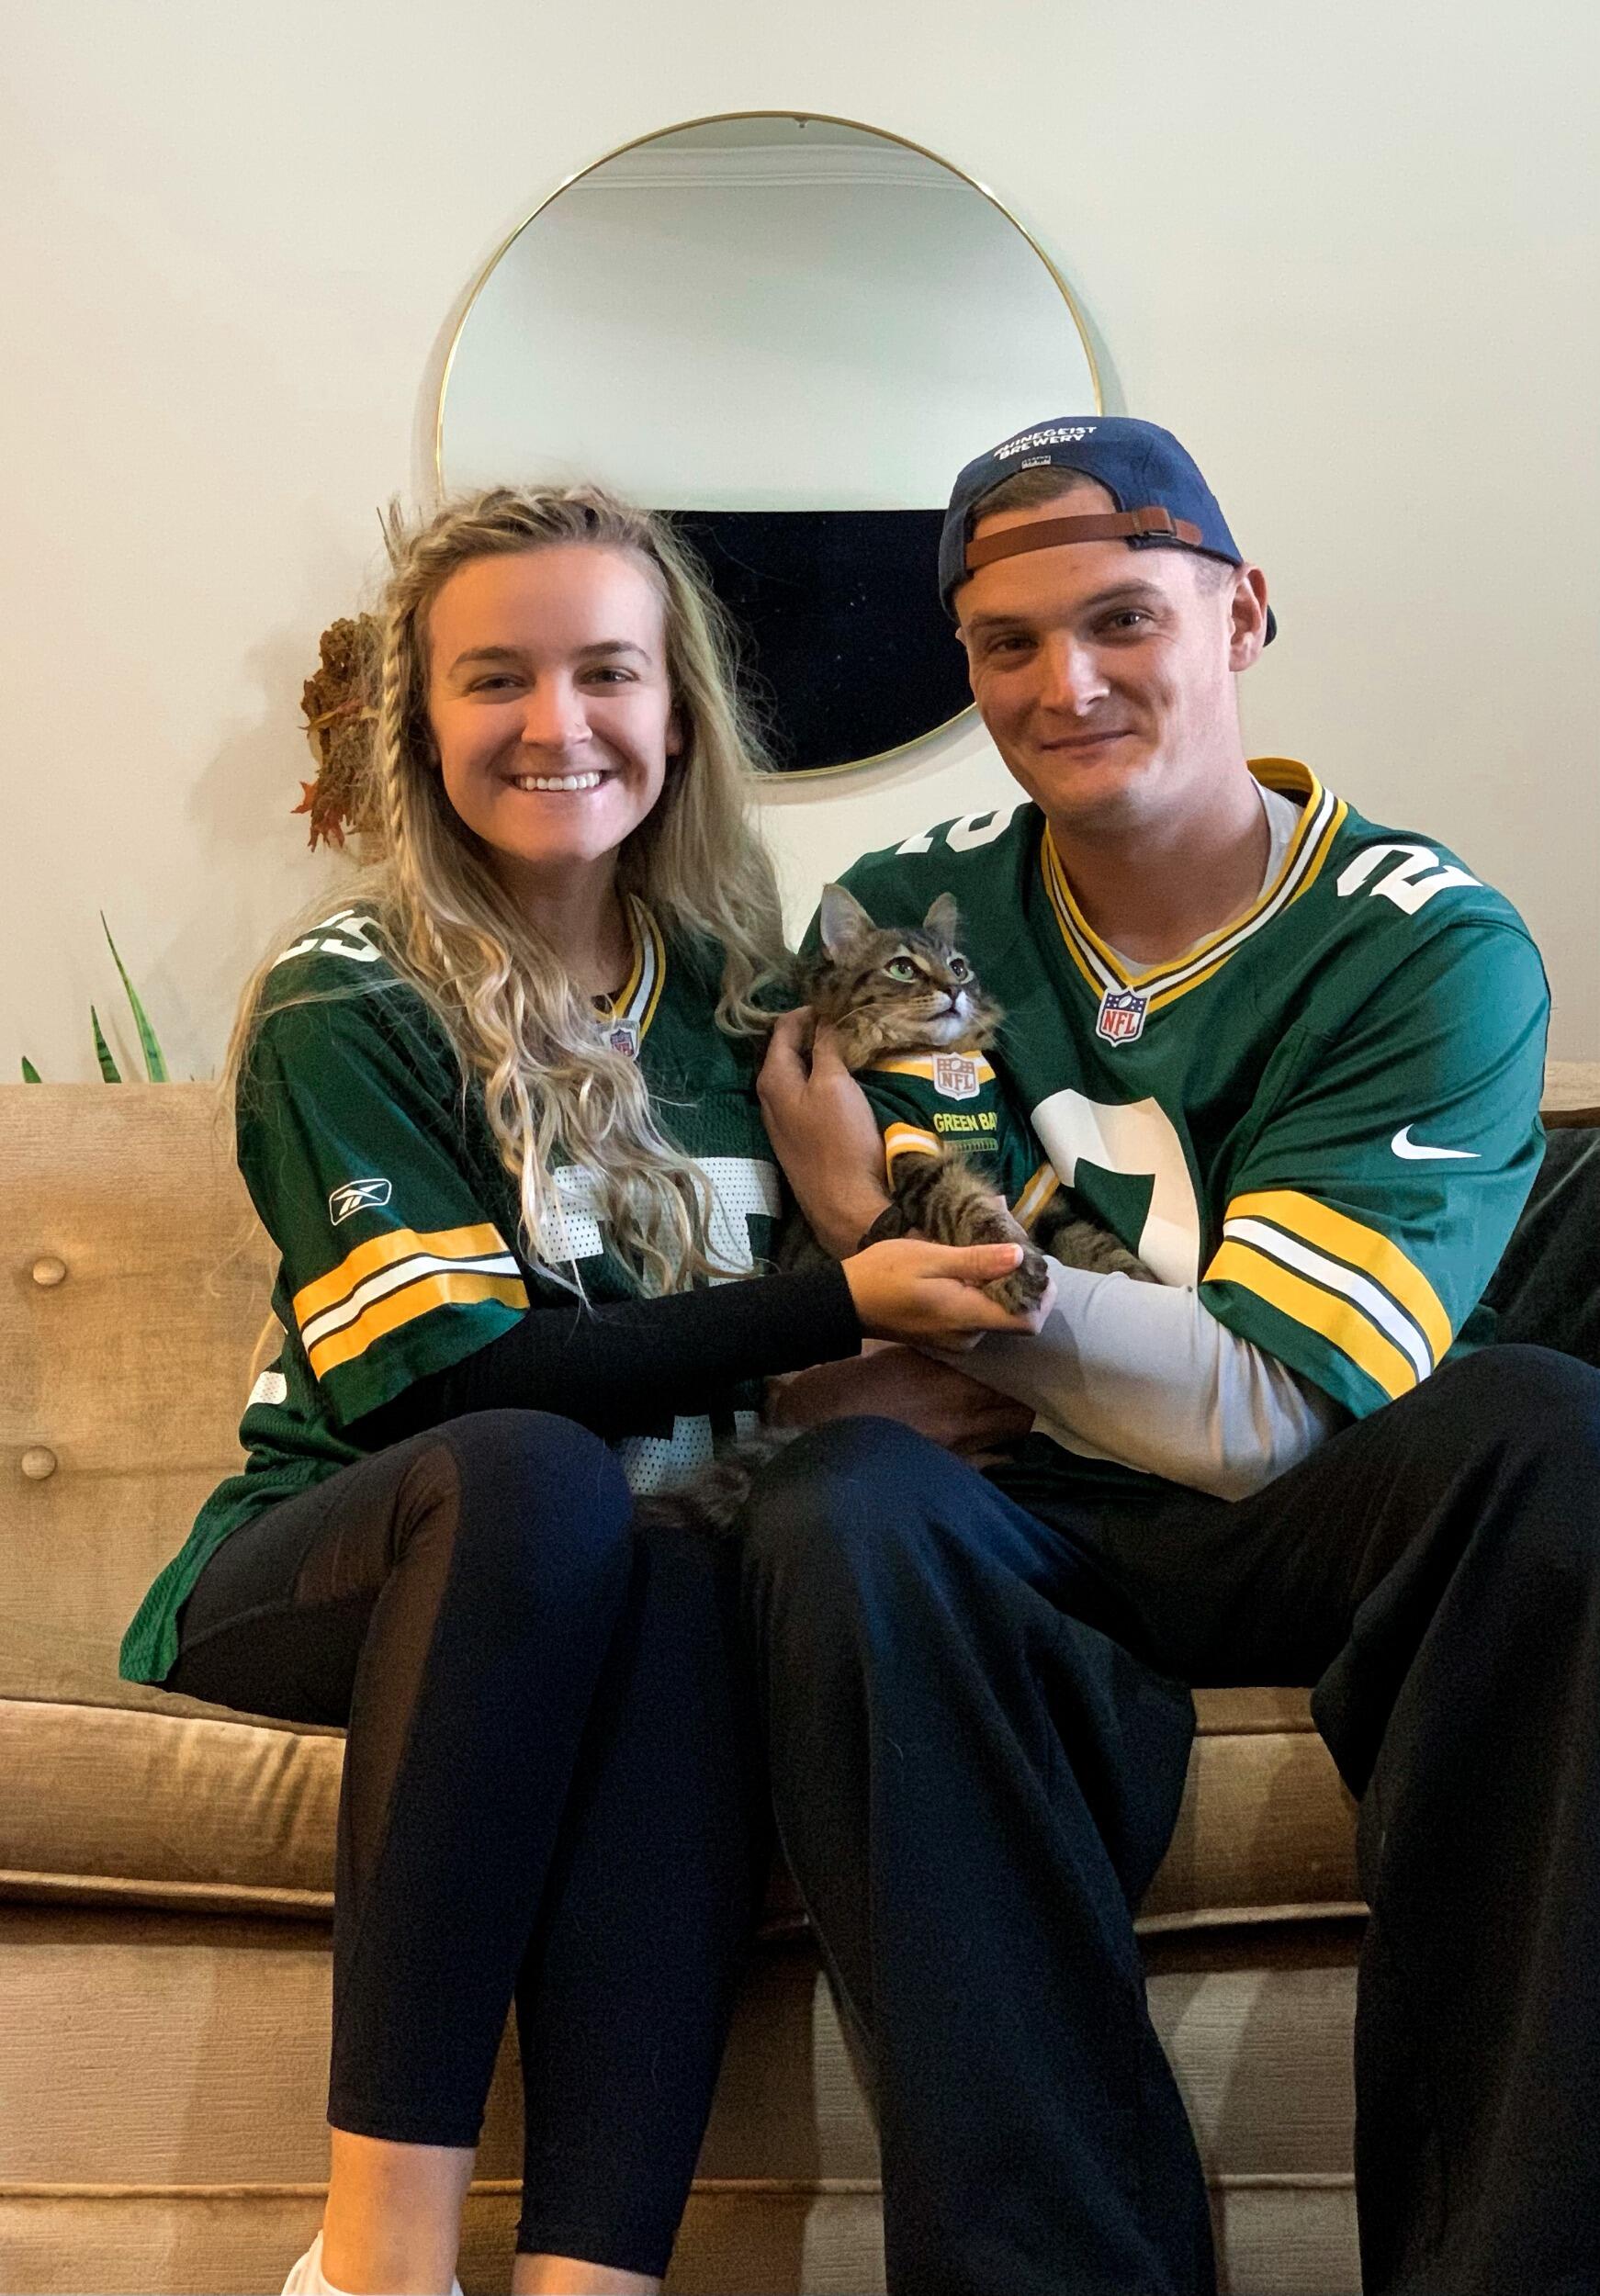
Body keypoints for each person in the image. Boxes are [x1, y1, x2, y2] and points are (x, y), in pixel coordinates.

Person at [118, 484, 1046, 2296]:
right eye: (496, 679)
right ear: (420, 727)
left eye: (606, 670)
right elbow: (447, 1386)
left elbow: (955, 1306)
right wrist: (824, 1308)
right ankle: (375, 2263)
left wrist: (854, 1250)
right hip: (344, 1560)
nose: (558, 722)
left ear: (678, 711)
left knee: (681, 1548)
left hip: (616, 1560)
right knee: (546, 1482)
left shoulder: (748, 1004)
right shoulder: (350, 999)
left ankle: (589, 2279)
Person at [751, 416, 1600, 2295]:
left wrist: (887, 1242)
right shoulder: (899, 915)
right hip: (1015, 1525)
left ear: (1242, 615)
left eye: (1122, 617)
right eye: (1004, 643)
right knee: (842, 1506)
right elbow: (865, 1369)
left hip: (1306, 1507)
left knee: (1541, 1429)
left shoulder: (1423, 938)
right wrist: (863, 1330)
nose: (1065, 683)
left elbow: (1258, 1417)